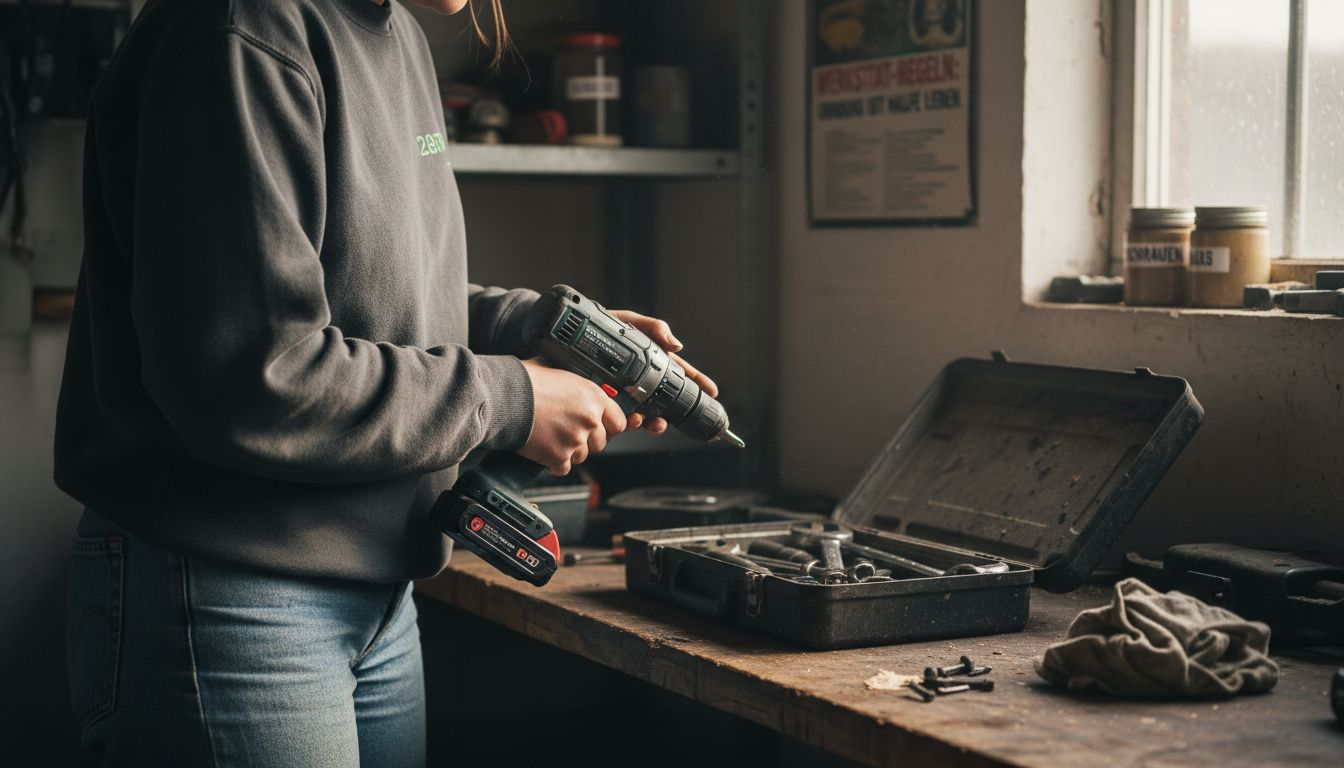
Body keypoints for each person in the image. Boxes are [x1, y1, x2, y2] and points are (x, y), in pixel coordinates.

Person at [54, 0, 718, 765]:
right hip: (230, 592)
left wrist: (539, 328)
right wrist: (516, 399)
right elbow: (260, 377)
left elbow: (376, 301)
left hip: (377, 588)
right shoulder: (240, 35)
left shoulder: (394, 30)